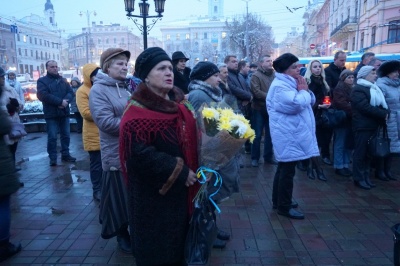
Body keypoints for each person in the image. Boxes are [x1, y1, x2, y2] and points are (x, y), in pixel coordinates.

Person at [119, 47, 199, 265]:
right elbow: (139, 153)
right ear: (145, 75)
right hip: (152, 197)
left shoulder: (180, 103)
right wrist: (180, 170)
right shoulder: (137, 110)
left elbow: (193, 137)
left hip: (180, 193)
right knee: (157, 252)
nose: (169, 73)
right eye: (161, 68)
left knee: (178, 248)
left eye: (170, 68)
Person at [267, 53, 320, 220]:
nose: (299, 69)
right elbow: (295, 104)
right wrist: (303, 92)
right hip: (288, 134)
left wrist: (305, 92)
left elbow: (306, 100)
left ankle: (280, 201)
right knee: (287, 171)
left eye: (298, 66)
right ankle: (284, 206)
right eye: (294, 67)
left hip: (291, 132)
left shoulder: (290, 82)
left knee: (284, 169)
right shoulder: (280, 86)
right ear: (285, 71)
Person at [89, 48, 131, 253]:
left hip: (131, 151)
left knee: (130, 196)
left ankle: (131, 230)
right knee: (118, 198)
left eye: (125, 63)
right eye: (119, 64)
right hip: (114, 153)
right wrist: (136, 123)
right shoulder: (98, 90)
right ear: (107, 67)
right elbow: (106, 123)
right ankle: (121, 234)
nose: (124, 67)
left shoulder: (124, 88)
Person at [187, 60, 233, 249]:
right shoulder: (199, 94)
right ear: (206, 78)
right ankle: (206, 232)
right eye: (215, 75)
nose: (219, 78)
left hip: (214, 148)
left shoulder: (210, 92)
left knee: (211, 193)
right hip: (206, 151)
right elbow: (201, 125)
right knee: (205, 194)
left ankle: (211, 227)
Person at [351, 66, 389, 190]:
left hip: (373, 125)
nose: (375, 75)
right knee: (360, 153)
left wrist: (386, 111)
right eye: (372, 73)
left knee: (369, 153)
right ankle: (359, 178)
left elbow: (381, 104)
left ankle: (366, 176)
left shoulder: (374, 88)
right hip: (362, 126)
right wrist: (383, 114)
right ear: (365, 75)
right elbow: (364, 107)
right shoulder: (358, 89)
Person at [0, 66, 22, 262]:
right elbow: (4, 125)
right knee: (2, 203)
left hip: (8, 144)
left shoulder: (10, 89)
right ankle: (3, 244)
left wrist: (16, 106)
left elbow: (20, 102)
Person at [37, 60, 76, 166]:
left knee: (66, 135)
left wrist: (65, 102)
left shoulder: (63, 80)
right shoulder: (42, 81)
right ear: (47, 68)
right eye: (52, 67)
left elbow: (70, 92)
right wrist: (59, 102)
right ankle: (53, 158)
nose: (55, 68)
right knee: (52, 136)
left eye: (56, 66)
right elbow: (42, 95)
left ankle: (65, 154)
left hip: (64, 112)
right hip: (51, 114)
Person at [76, 64, 103, 202]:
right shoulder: (82, 91)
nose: (97, 77)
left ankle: (106, 188)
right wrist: (105, 114)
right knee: (97, 165)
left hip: (105, 133)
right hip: (93, 134)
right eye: (94, 75)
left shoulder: (101, 88)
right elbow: (86, 113)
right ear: (88, 76)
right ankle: (97, 190)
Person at [304, 60, 330, 181]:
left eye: (319, 66)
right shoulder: (308, 82)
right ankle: (316, 169)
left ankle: (311, 168)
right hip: (312, 115)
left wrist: (328, 104)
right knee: (312, 142)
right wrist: (319, 106)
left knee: (318, 142)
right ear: (310, 69)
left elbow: (327, 96)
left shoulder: (323, 81)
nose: (318, 69)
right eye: (315, 67)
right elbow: (306, 102)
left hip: (322, 115)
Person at [250, 55, 277, 167]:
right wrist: (271, 96)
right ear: (261, 63)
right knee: (257, 134)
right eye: (268, 61)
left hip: (271, 109)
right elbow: (256, 92)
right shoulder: (256, 76)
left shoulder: (275, 75)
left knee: (270, 134)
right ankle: (255, 158)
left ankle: (268, 156)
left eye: (271, 60)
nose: (270, 63)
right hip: (259, 108)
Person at [376, 60, 400, 181]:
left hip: (397, 120)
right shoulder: (381, 85)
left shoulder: (398, 84)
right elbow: (380, 103)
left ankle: (388, 170)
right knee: (384, 144)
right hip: (387, 119)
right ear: (387, 73)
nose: (397, 74)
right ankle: (380, 171)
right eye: (394, 72)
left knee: (393, 146)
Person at [322, 50, 347, 165]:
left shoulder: (345, 70)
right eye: (341, 60)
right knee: (327, 133)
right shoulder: (328, 71)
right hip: (332, 106)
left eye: (344, 60)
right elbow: (329, 89)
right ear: (335, 59)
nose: (343, 62)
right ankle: (325, 154)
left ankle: (335, 155)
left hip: (341, 106)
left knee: (339, 133)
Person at [332, 70, 354, 177]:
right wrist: (353, 107)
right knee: (340, 143)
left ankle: (345, 165)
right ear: (343, 78)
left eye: (352, 77)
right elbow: (342, 104)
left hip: (350, 120)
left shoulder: (353, 88)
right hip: (342, 120)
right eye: (348, 77)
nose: (351, 79)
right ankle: (339, 165)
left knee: (348, 144)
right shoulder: (339, 89)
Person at [1, 73, 24, 172]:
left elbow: (20, 104)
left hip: (13, 125)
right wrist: (6, 109)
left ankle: (12, 170)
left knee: (12, 150)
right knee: (4, 152)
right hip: (3, 126)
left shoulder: (10, 89)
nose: (3, 79)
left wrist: (17, 104)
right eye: (1, 77)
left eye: (3, 77)